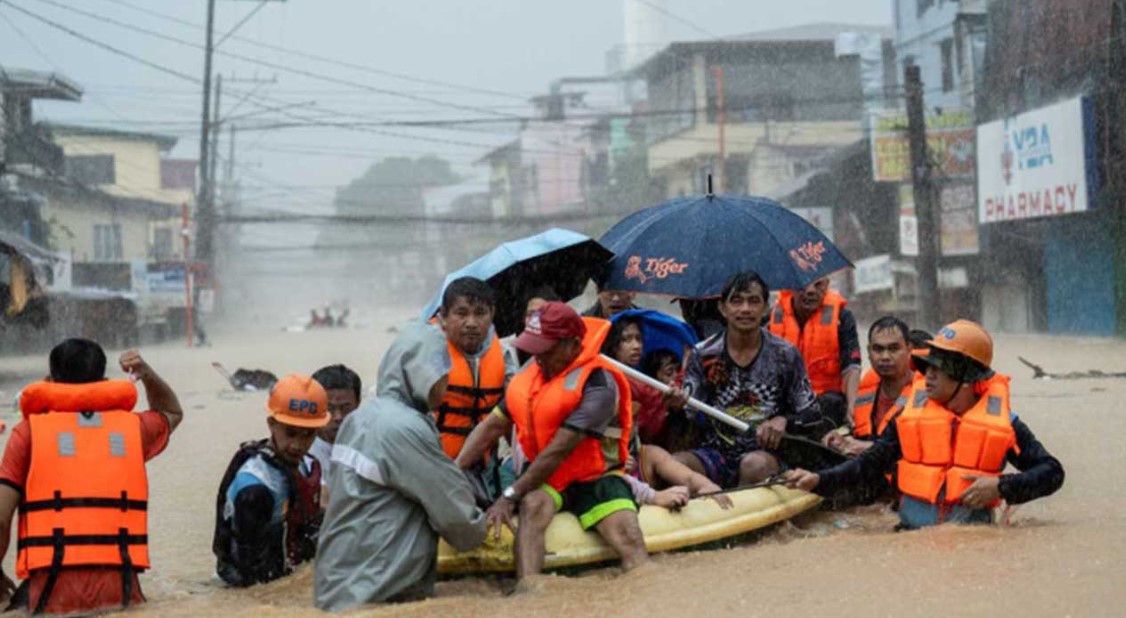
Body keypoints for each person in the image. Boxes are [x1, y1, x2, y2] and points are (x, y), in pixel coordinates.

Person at [785, 320, 1066, 529]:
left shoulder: (1006, 425)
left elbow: (1052, 473)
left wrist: (1002, 487)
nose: (925, 376)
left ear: (966, 377)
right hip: (908, 538)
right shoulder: (908, 419)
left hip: (973, 546)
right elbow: (869, 464)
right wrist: (820, 480)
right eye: (926, 367)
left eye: (936, 369)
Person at [456, 302, 647, 582]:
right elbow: (491, 427)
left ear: (573, 344)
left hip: (596, 476)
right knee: (532, 506)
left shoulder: (599, 384)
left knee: (627, 532)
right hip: (548, 477)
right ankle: (528, 592)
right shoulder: (528, 377)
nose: (538, 357)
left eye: (546, 349)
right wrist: (454, 469)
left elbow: (559, 450)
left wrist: (509, 496)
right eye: (533, 348)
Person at [0, 339, 182, 615]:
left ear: (50, 381)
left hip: (51, 587)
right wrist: (144, 372)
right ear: (105, 380)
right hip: (120, 586)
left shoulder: (27, 435)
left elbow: (1, 517)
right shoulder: (133, 430)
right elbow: (171, 411)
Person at [315, 322, 486, 610]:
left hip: (337, 583)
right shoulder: (401, 428)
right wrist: (484, 527)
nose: (447, 385)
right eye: (442, 376)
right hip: (375, 590)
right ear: (424, 375)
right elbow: (456, 516)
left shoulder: (364, 416)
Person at [674, 271, 822, 487]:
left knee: (753, 465)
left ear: (765, 309)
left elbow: (812, 413)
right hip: (716, 454)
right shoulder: (702, 354)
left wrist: (784, 421)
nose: (745, 309)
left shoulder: (785, 354)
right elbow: (690, 413)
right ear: (722, 308)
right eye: (736, 301)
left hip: (766, 455)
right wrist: (676, 405)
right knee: (675, 464)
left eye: (754, 301)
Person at [213, 375, 327, 587]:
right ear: (271, 424)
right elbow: (251, 577)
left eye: (307, 435)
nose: (297, 445)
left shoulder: (304, 465)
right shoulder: (255, 489)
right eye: (290, 433)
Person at [434, 277, 518, 460]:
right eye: (462, 313)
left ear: (492, 314)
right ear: (444, 315)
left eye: (480, 313)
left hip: (484, 465)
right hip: (434, 464)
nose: (471, 323)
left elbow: (513, 416)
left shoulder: (504, 356)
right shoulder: (425, 353)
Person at [767, 277, 861, 429]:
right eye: (802, 284)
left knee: (833, 402)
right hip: (785, 405)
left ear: (827, 285)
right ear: (790, 286)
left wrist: (852, 407)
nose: (810, 291)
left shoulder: (842, 318)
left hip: (825, 406)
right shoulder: (769, 320)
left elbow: (851, 368)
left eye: (818, 285)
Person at [824, 317, 918, 458]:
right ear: (868, 351)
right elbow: (861, 436)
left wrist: (867, 447)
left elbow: (922, 447)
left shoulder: (926, 394)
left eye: (894, 349)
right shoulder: (865, 393)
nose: (885, 356)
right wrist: (842, 439)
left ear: (909, 349)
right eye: (878, 349)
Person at [308, 364, 362, 500]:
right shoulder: (299, 450)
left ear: (358, 404)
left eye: (346, 408)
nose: (338, 417)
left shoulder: (372, 447)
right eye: (329, 408)